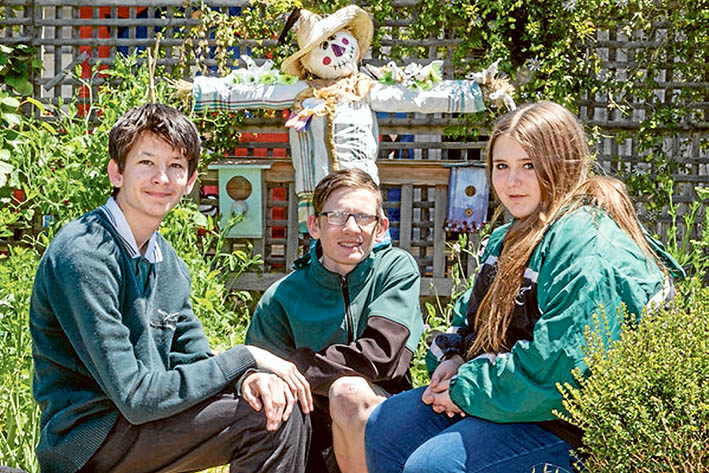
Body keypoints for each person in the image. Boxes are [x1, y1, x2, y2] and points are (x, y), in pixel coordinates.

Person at [364, 101, 685, 473]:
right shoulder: (508, 237)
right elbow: (470, 323)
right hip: (512, 397)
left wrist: (465, 390)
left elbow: (560, 367)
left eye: (528, 166)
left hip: (572, 423)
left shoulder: (588, 246)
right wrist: (453, 360)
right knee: (387, 425)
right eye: (501, 166)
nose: (511, 181)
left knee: (434, 465)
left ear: (563, 164)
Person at [29, 103, 314, 473]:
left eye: (176, 166)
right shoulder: (85, 254)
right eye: (146, 163)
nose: (161, 178)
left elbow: (192, 359)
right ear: (116, 173)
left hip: (141, 425)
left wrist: (250, 378)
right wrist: (246, 355)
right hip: (88, 440)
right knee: (264, 420)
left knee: (276, 403)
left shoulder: (166, 260)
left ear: (190, 181)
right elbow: (134, 396)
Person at [245, 168, 424, 473]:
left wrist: (295, 368)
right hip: (309, 426)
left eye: (364, 217)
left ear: (380, 228)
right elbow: (259, 370)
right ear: (314, 225)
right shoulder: (282, 296)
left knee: (348, 392)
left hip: (383, 416)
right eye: (337, 216)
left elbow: (381, 356)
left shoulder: (395, 270)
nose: (352, 228)